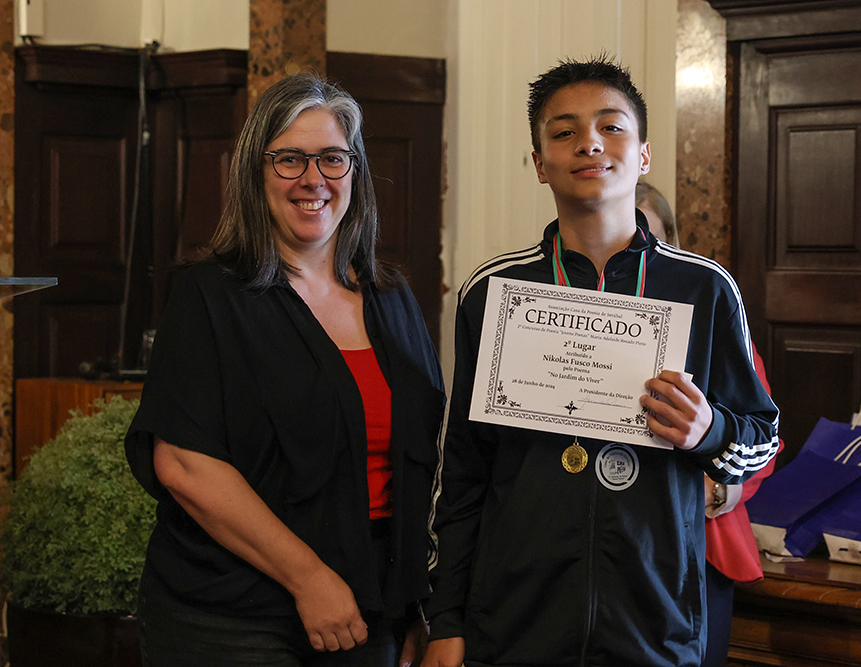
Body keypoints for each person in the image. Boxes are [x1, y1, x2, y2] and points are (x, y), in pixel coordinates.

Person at [422, 56, 780, 667]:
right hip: (512, 622)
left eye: (611, 127)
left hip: (653, 622)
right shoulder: (496, 292)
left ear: (643, 155)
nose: (589, 143)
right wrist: (446, 620)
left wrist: (709, 431)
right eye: (564, 132)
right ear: (540, 163)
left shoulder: (705, 289)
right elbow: (463, 473)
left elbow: (762, 440)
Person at [125, 73, 445, 667]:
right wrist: (309, 579)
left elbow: (418, 458)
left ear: (355, 172)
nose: (313, 179)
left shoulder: (392, 296)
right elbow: (186, 464)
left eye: (332, 158)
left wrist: (417, 598)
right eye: (290, 159)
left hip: (371, 608)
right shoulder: (210, 296)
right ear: (256, 172)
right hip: (232, 617)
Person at [637, 180, 783, 667]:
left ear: (671, 243)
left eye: (647, 236)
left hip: (699, 543)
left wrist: (718, 491)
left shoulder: (714, 315)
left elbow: (762, 437)